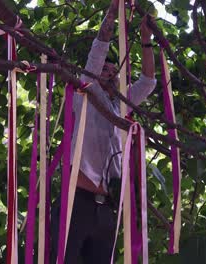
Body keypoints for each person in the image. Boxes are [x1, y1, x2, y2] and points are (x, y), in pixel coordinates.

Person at [50, 1, 156, 263]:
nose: (109, 72)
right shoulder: (86, 93)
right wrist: (114, 11)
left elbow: (149, 81)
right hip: (78, 201)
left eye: (113, 70)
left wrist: (145, 40)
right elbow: (98, 50)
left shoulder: (121, 105)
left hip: (107, 209)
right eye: (104, 70)